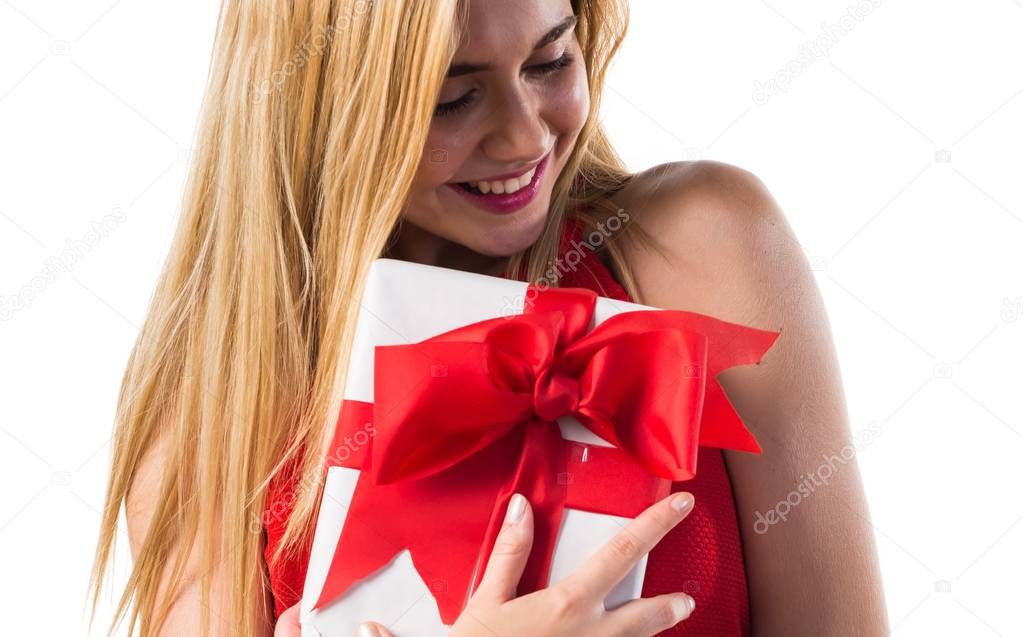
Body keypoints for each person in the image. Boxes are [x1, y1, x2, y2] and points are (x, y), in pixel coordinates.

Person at [91, 0, 889, 635]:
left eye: (550, 60)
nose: (523, 133)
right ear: (324, 109)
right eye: (453, 98)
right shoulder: (209, 400)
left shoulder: (704, 245)